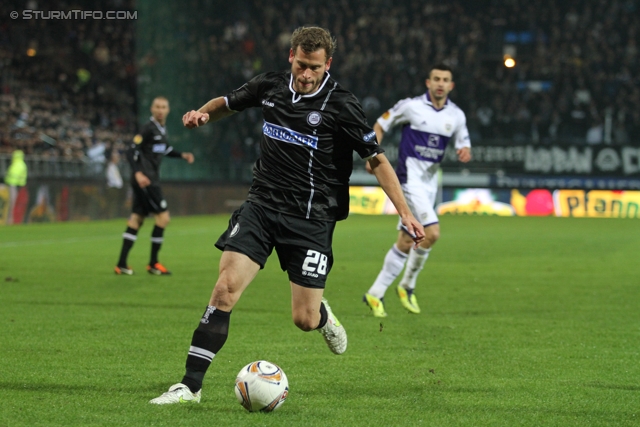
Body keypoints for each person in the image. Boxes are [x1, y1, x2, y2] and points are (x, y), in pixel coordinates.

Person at [149, 26, 425, 405]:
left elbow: (376, 160)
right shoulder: (272, 86)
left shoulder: (342, 104)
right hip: (261, 206)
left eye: (314, 67)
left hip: (311, 219)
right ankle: (189, 386)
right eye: (300, 65)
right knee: (224, 289)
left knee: (304, 319)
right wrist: (202, 114)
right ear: (290, 57)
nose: (305, 74)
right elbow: (228, 102)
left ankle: (323, 317)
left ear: (327, 64)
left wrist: (405, 212)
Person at [363, 64, 472, 317]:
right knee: (432, 233)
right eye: (436, 79)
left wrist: (464, 150)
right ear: (428, 82)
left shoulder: (456, 115)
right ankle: (407, 285)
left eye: (445, 79)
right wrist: (373, 156)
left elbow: (464, 141)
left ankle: (375, 293)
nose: (440, 83)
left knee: (405, 240)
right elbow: (380, 125)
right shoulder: (410, 106)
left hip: (430, 184)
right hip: (408, 179)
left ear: (451, 85)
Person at [114, 96, 195, 275]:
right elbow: (130, 150)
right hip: (147, 180)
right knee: (163, 218)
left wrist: (182, 155)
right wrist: (138, 173)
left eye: (163, 107)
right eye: (157, 106)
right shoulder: (148, 128)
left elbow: (164, 150)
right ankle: (153, 263)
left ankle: (121, 264)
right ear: (152, 109)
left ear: (168, 110)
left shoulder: (161, 129)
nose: (160, 110)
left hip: (147, 179)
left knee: (137, 218)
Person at [4, 149, 28, 225]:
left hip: (12, 185)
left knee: (11, 203)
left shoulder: (15, 164)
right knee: (13, 203)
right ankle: (11, 220)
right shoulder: (22, 164)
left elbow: (10, 176)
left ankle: (10, 220)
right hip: (17, 186)